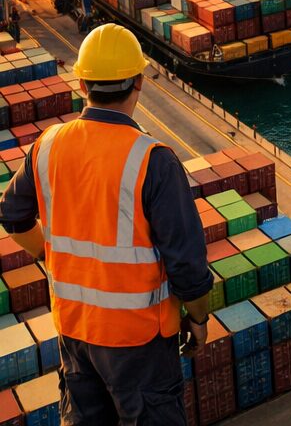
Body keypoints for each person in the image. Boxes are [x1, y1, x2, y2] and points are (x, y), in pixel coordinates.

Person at [0, 23, 213, 425]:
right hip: (141, 343)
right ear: (139, 83)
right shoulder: (154, 160)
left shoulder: (46, 145)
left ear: (82, 84)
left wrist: (51, 254)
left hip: (75, 333)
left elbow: (12, 215)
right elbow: (188, 266)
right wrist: (200, 320)